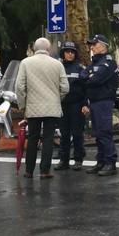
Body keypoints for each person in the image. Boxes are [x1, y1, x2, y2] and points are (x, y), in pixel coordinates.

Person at [15, 37, 69, 178]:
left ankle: (29, 171)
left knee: (33, 138)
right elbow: (65, 87)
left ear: (34, 48)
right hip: (52, 107)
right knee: (48, 138)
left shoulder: (26, 63)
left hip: (33, 107)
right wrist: (57, 99)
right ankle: (45, 171)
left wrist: (22, 105)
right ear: (48, 49)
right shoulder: (57, 64)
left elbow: (20, 86)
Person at [82, 34, 119, 176]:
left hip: (104, 101)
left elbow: (95, 80)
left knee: (104, 132)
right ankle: (101, 161)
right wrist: (88, 76)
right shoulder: (95, 62)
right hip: (95, 101)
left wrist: (89, 77)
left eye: (94, 44)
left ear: (103, 46)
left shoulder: (109, 62)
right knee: (98, 134)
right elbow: (82, 76)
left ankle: (110, 163)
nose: (91, 47)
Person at [53, 41, 87, 171]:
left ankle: (78, 159)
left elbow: (86, 88)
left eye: (72, 52)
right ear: (63, 53)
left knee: (77, 133)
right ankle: (64, 160)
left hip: (76, 104)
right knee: (64, 133)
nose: (70, 54)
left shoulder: (80, 68)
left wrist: (85, 104)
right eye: (67, 52)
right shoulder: (58, 67)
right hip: (62, 105)